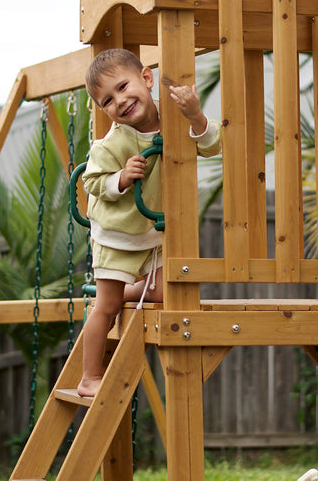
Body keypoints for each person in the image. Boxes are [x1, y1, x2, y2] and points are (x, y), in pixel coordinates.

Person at [77, 48, 221, 397]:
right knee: (107, 308)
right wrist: (122, 178)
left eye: (124, 87)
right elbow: (92, 181)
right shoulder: (113, 143)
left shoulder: (174, 118)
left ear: (146, 77)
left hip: (149, 232)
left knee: (161, 292)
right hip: (116, 236)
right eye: (108, 100)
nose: (120, 101)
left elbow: (211, 145)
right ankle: (89, 378)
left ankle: (124, 288)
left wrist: (195, 115)